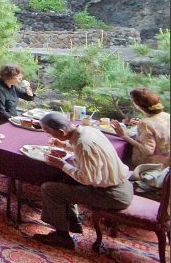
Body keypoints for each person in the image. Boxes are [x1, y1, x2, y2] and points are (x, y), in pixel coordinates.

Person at [33, 112, 133, 249]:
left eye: (49, 133)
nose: (49, 136)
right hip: (122, 185)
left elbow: (87, 179)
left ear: (62, 132)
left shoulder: (83, 144)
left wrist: (61, 164)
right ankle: (71, 222)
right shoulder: (88, 130)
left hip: (112, 194)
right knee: (64, 180)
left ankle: (62, 237)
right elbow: (84, 153)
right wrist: (64, 146)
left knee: (49, 189)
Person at [111, 88, 170, 167]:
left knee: (118, 161)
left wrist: (123, 135)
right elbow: (158, 128)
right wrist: (140, 123)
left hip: (152, 167)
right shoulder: (166, 115)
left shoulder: (145, 124)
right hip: (167, 161)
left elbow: (148, 150)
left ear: (137, 105)